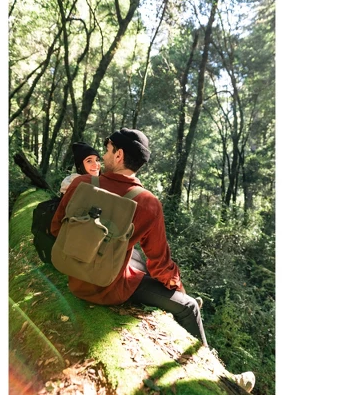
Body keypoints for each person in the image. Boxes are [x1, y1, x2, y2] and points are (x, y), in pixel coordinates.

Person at [50, 128, 255, 393]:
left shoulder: (81, 184)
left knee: (133, 256)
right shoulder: (147, 203)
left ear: (119, 155)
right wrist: (177, 288)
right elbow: (160, 264)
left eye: (107, 150)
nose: (103, 155)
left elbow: (56, 229)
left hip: (75, 278)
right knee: (190, 307)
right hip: (109, 289)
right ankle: (221, 378)